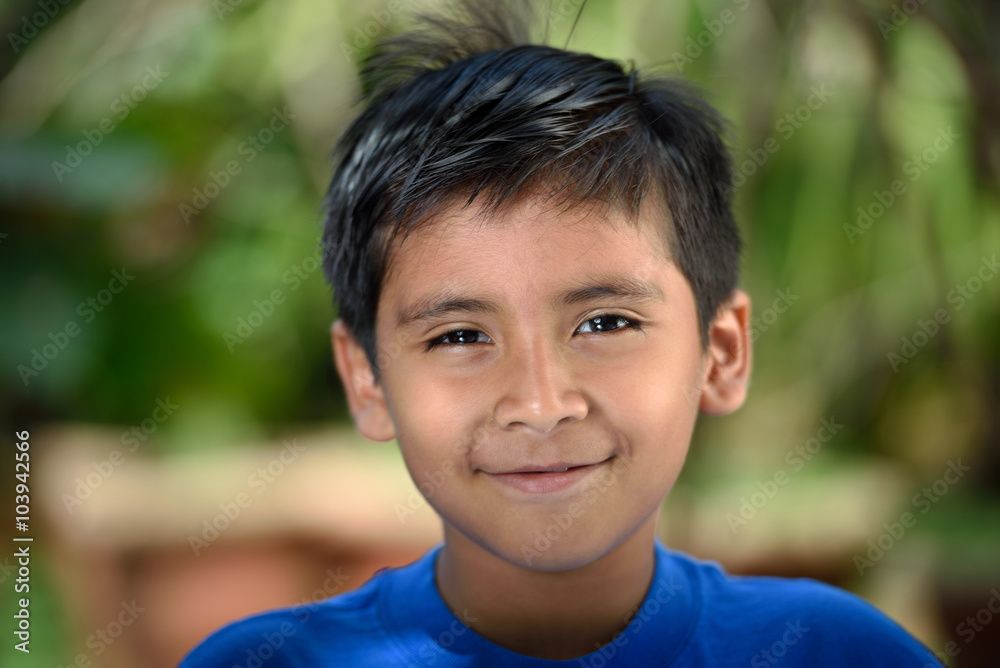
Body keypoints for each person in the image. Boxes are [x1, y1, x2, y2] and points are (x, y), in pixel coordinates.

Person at [180, 1, 942, 665]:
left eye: (606, 322)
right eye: (458, 337)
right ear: (367, 380)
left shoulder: (837, 653)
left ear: (721, 352)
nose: (541, 404)